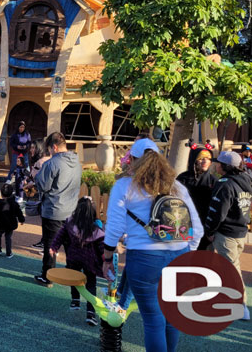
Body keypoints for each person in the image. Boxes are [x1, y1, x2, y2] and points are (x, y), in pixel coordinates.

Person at [102, 138, 203, 352]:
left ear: (134, 161)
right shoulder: (177, 187)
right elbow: (197, 229)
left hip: (144, 259)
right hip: (179, 255)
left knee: (153, 320)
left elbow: (115, 227)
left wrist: (107, 257)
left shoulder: (124, 187)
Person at [205, 150, 252, 321]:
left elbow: (218, 211)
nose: (216, 165)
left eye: (219, 163)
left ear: (225, 166)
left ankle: (241, 306)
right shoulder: (246, 180)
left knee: (231, 270)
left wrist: (209, 231)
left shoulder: (225, 184)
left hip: (227, 234)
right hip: (240, 232)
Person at [34, 132, 82, 286]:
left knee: (51, 244)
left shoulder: (52, 163)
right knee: (70, 244)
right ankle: (73, 274)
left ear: (54, 147)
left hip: (54, 209)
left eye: (49, 150)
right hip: (71, 209)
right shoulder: (77, 162)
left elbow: (43, 185)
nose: (49, 153)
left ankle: (47, 276)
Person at [49, 196, 104, 326]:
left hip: (73, 257)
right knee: (91, 284)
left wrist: (54, 247)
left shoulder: (70, 223)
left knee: (74, 278)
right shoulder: (96, 228)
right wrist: (105, 258)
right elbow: (102, 245)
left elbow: (60, 235)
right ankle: (91, 313)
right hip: (90, 260)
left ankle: (75, 300)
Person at [176, 146, 215, 250]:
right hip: (185, 226)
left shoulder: (213, 181)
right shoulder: (182, 179)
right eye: (201, 158)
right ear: (194, 160)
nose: (205, 161)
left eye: (208, 158)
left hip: (205, 228)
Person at [25, 141, 51, 249]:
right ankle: (44, 242)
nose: (31, 150)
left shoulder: (41, 162)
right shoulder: (47, 160)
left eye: (33, 148)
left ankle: (48, 245)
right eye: (31, 148)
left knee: (47, 222)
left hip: (45, 195)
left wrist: (31, 184)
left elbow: (40, 179)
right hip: (47, 195)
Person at [0, 183, 25, 258]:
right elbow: (19, 212)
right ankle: (8, 253)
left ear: (1, 194)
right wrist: (21, 220)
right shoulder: (14, 203)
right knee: (8, 237)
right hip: (10, 224)